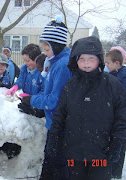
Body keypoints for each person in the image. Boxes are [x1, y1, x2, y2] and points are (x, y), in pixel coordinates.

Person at [48, 36, 126, 180]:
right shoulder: (70, 86)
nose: (86, 63)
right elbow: (61, 114)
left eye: (91, 58)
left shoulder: (112, 85)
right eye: (82, 59)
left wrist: (118, 142)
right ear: (75, 61)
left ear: (99, 60)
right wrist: (54, 136)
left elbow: (121, 117)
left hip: (102, 153)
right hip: (74, 153)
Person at [19, 16, 71, 179]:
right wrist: (32, 99)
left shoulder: (62, 66)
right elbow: (47, 91)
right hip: (54, 122)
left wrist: (32, 100)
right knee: (50, 162)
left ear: (57, 45)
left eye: (47, 49)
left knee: (57, 164)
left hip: (60, 124)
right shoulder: (54, 61)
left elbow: (54, 100)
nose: (45, 53)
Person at [105, 48, 126, 179]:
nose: (106, 65)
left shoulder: (123, 76)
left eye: (108, 63)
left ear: (117, 63)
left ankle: (116, 174)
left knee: (119, 144)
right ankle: (110, 170)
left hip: (121, 117)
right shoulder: (112, 74)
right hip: (112, 116)